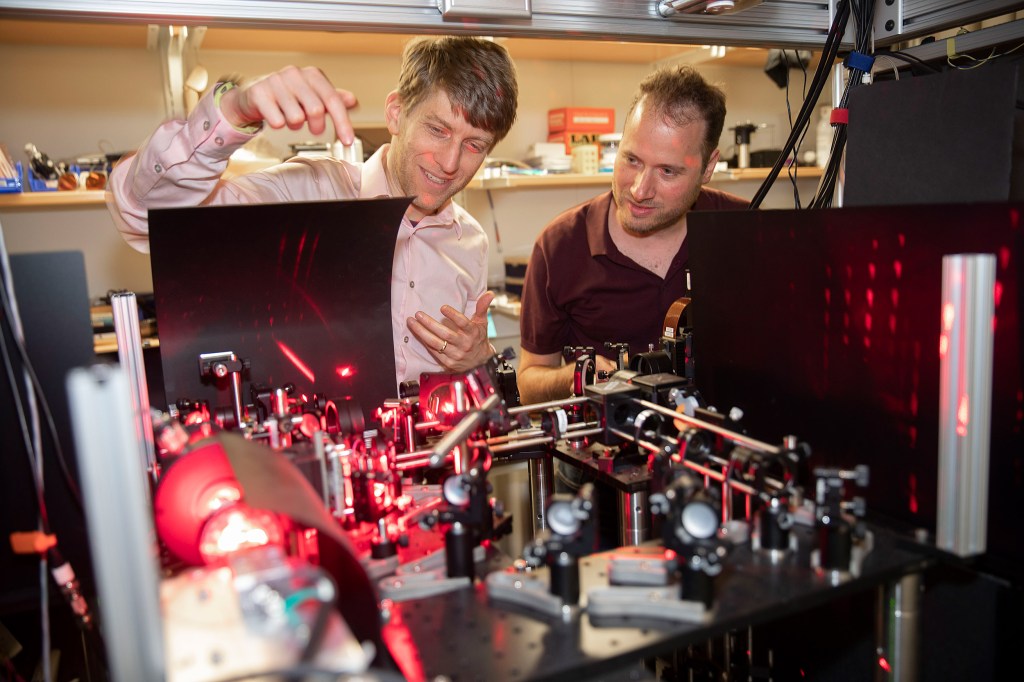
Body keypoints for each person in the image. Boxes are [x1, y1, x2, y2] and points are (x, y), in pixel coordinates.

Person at [108, 36, 518, 387]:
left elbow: (470, 391)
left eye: (474, 145)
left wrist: (477, 360)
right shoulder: (305, 194)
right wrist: (233, 113)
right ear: (396, 113)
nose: (449, 162)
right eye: (438, 129)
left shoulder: (471, 242)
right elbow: (146, 218)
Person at [517, 65, 748, 405]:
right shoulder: (559, 246)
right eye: (632, 160)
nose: (640, 190)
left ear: (709, 167)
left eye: (667, 171)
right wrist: (575, 376)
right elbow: (529, 380)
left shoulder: (743, 231)